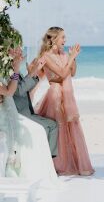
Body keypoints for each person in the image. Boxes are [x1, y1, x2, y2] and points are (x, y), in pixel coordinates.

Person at [35, 27, 94, 176]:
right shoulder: (46, 56)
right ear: (54, 39)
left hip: (67, 95)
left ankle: (72, 162)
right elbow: (61, 74)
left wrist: (73, 58)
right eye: (62, 37)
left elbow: (72, 73)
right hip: (55, 95)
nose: (65, 40)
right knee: (59, 129)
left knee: (70, 128)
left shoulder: (62, 54)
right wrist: (72, 57)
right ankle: (60, 164)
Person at [0, 46, 58, 188]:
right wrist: (24, 71)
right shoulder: (6, 71)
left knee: (47, 127)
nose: (17, 51)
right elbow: (16, 91)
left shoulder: (9, 70)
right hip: (12, 114)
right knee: (39, 130)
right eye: (14, 49)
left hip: (13, 112)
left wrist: (28, 71)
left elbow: (12, 90)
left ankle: (47, 164)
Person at [13, 58, 58, 157]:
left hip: (27, 111)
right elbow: (19, 90)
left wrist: (33, 73)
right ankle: (43, 157)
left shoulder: (16, 71)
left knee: (53, 125)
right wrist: (32, 72)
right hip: (20, 113)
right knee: (44, 128)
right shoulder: (10, 72)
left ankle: (49, 158)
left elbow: (22, 87)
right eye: (16, 50)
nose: (20, 51)